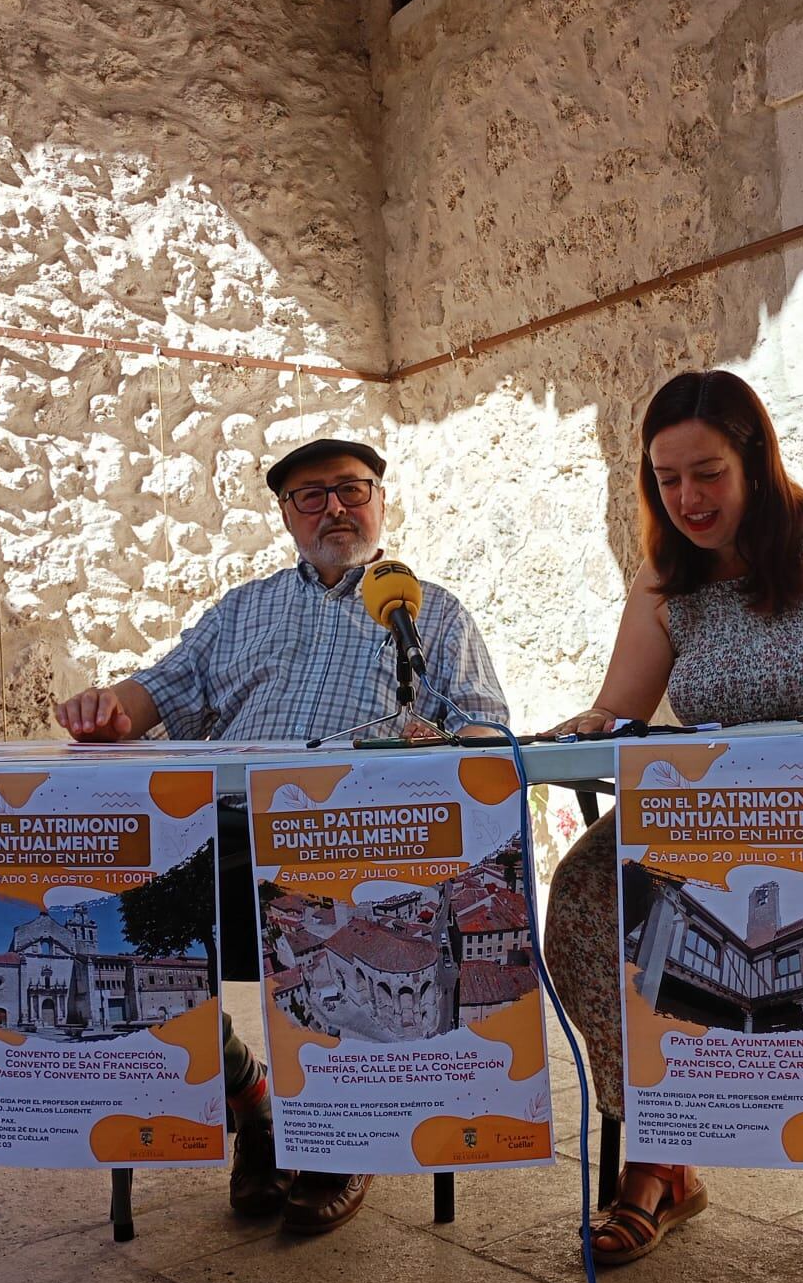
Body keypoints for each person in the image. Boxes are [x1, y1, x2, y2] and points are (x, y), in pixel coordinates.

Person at [542, 370, 803, 1283]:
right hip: (711, 816)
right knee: (581, 896)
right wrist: (579, 727)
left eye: (708, 473)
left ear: (756, 461)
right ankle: (661, 1146)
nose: (686, 499)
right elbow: (622, 709)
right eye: (666, 480)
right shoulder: (668, 578)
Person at [55, 436, 509, 1236]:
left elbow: (484, 729)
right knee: (129, 924)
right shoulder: (241, 610)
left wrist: (445, 747)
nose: (334, 507)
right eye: (311, 495)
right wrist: (109, 710)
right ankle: (251, 1099)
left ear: (379, 499)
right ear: (287, 514)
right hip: (229, 829)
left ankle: (339, 1129)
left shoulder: (429, 612)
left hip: (359, 841)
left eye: (350, 488)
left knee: (344, 945)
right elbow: (157, 691)